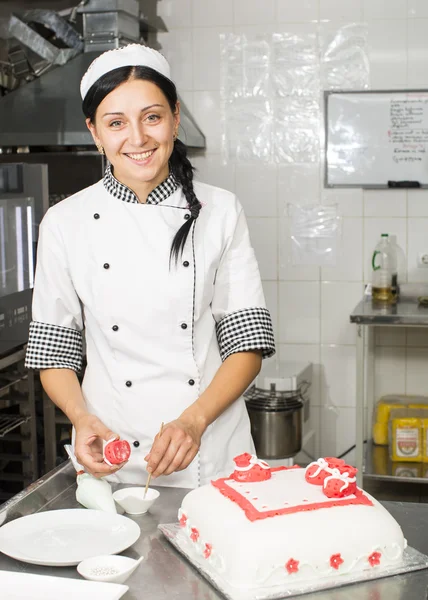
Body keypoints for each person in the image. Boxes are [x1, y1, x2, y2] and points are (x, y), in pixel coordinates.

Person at [25, 44, 275, 488]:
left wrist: (194, 421)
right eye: (116, 123)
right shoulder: (64, 223)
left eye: (152, 117)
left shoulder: (221, 211)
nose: (137, 138)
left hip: (211, 449)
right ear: (95, 133)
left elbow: (247, 344)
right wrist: (81, 418)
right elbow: (54, 351)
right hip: (110, 450)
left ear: (175, 118)